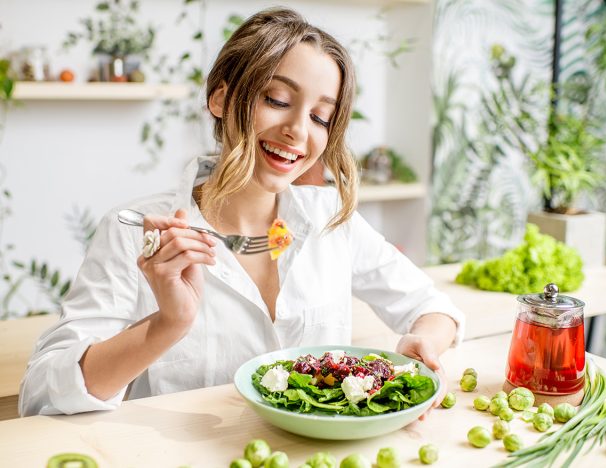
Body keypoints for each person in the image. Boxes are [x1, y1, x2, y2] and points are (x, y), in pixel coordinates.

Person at [19, 7, 465, 417]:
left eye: (321, 117)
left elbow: (432, 307)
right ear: (221, 99)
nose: (297, 132)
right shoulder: (135, 230)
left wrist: (422, 344)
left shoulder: (332, 219)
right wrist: (168, 323)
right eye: (276, 100)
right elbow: (41, 395)